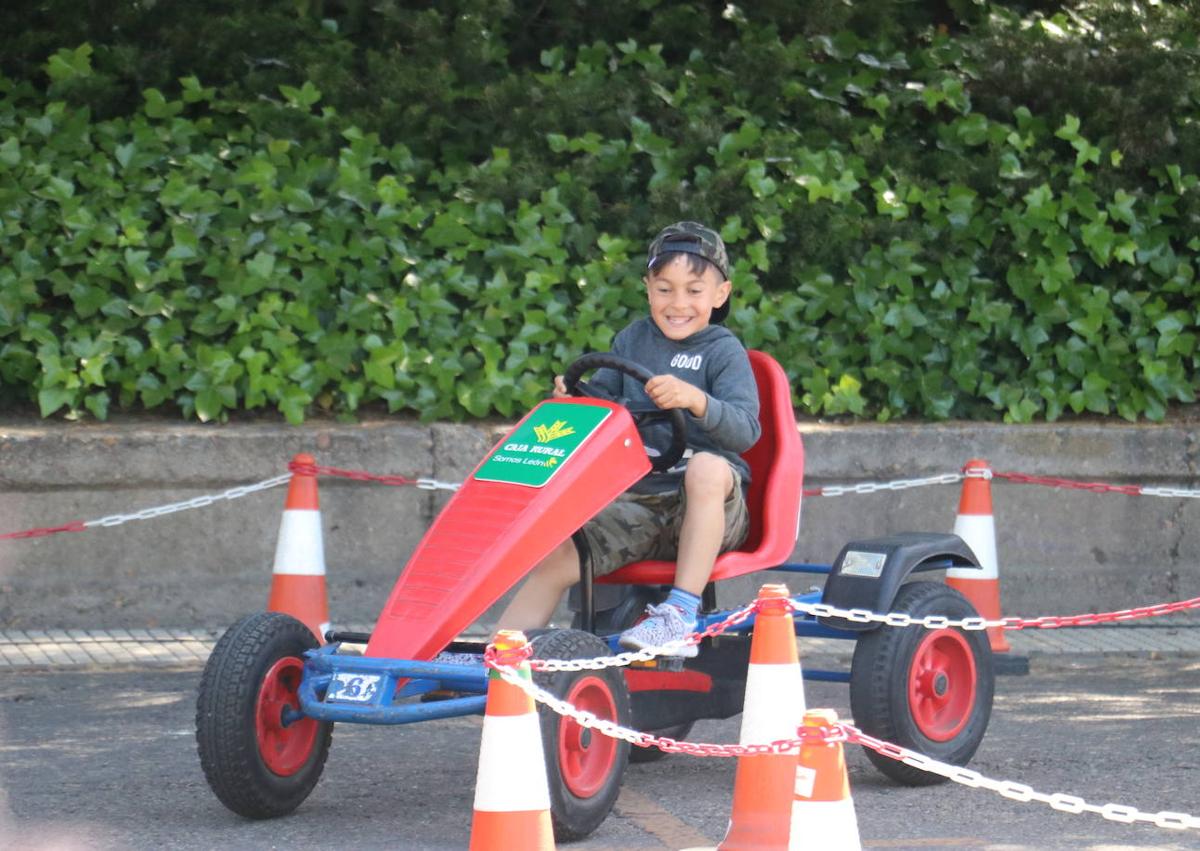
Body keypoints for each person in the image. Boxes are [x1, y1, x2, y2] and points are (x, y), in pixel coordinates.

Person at [493, 221, 761, 657]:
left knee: (707, 468)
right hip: (641, 502)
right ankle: (498, 658)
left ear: (720, 294)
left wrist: (696, 400)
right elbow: (604, 408)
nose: (678, 304)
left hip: (711, 509)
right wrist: (573, 398)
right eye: (665, 289)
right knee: (561, 554)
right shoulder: (632, 340)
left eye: (694, 291)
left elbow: (746, 431)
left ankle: (679, 614)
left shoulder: (722, 350)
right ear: (648, 289)